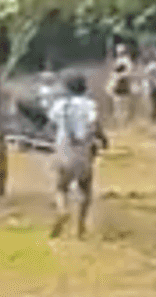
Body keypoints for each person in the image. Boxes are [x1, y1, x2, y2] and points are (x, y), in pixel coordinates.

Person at [48, 72, 108, 238]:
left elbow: (52, 124)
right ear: (85, 87)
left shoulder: (59, 105)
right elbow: (95, 125)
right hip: (83, 151)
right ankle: (80, 228)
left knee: (61, 188)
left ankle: (63, 210)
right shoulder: (89, 105)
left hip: (63, 150)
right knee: (85, 190)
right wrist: (103, 140)